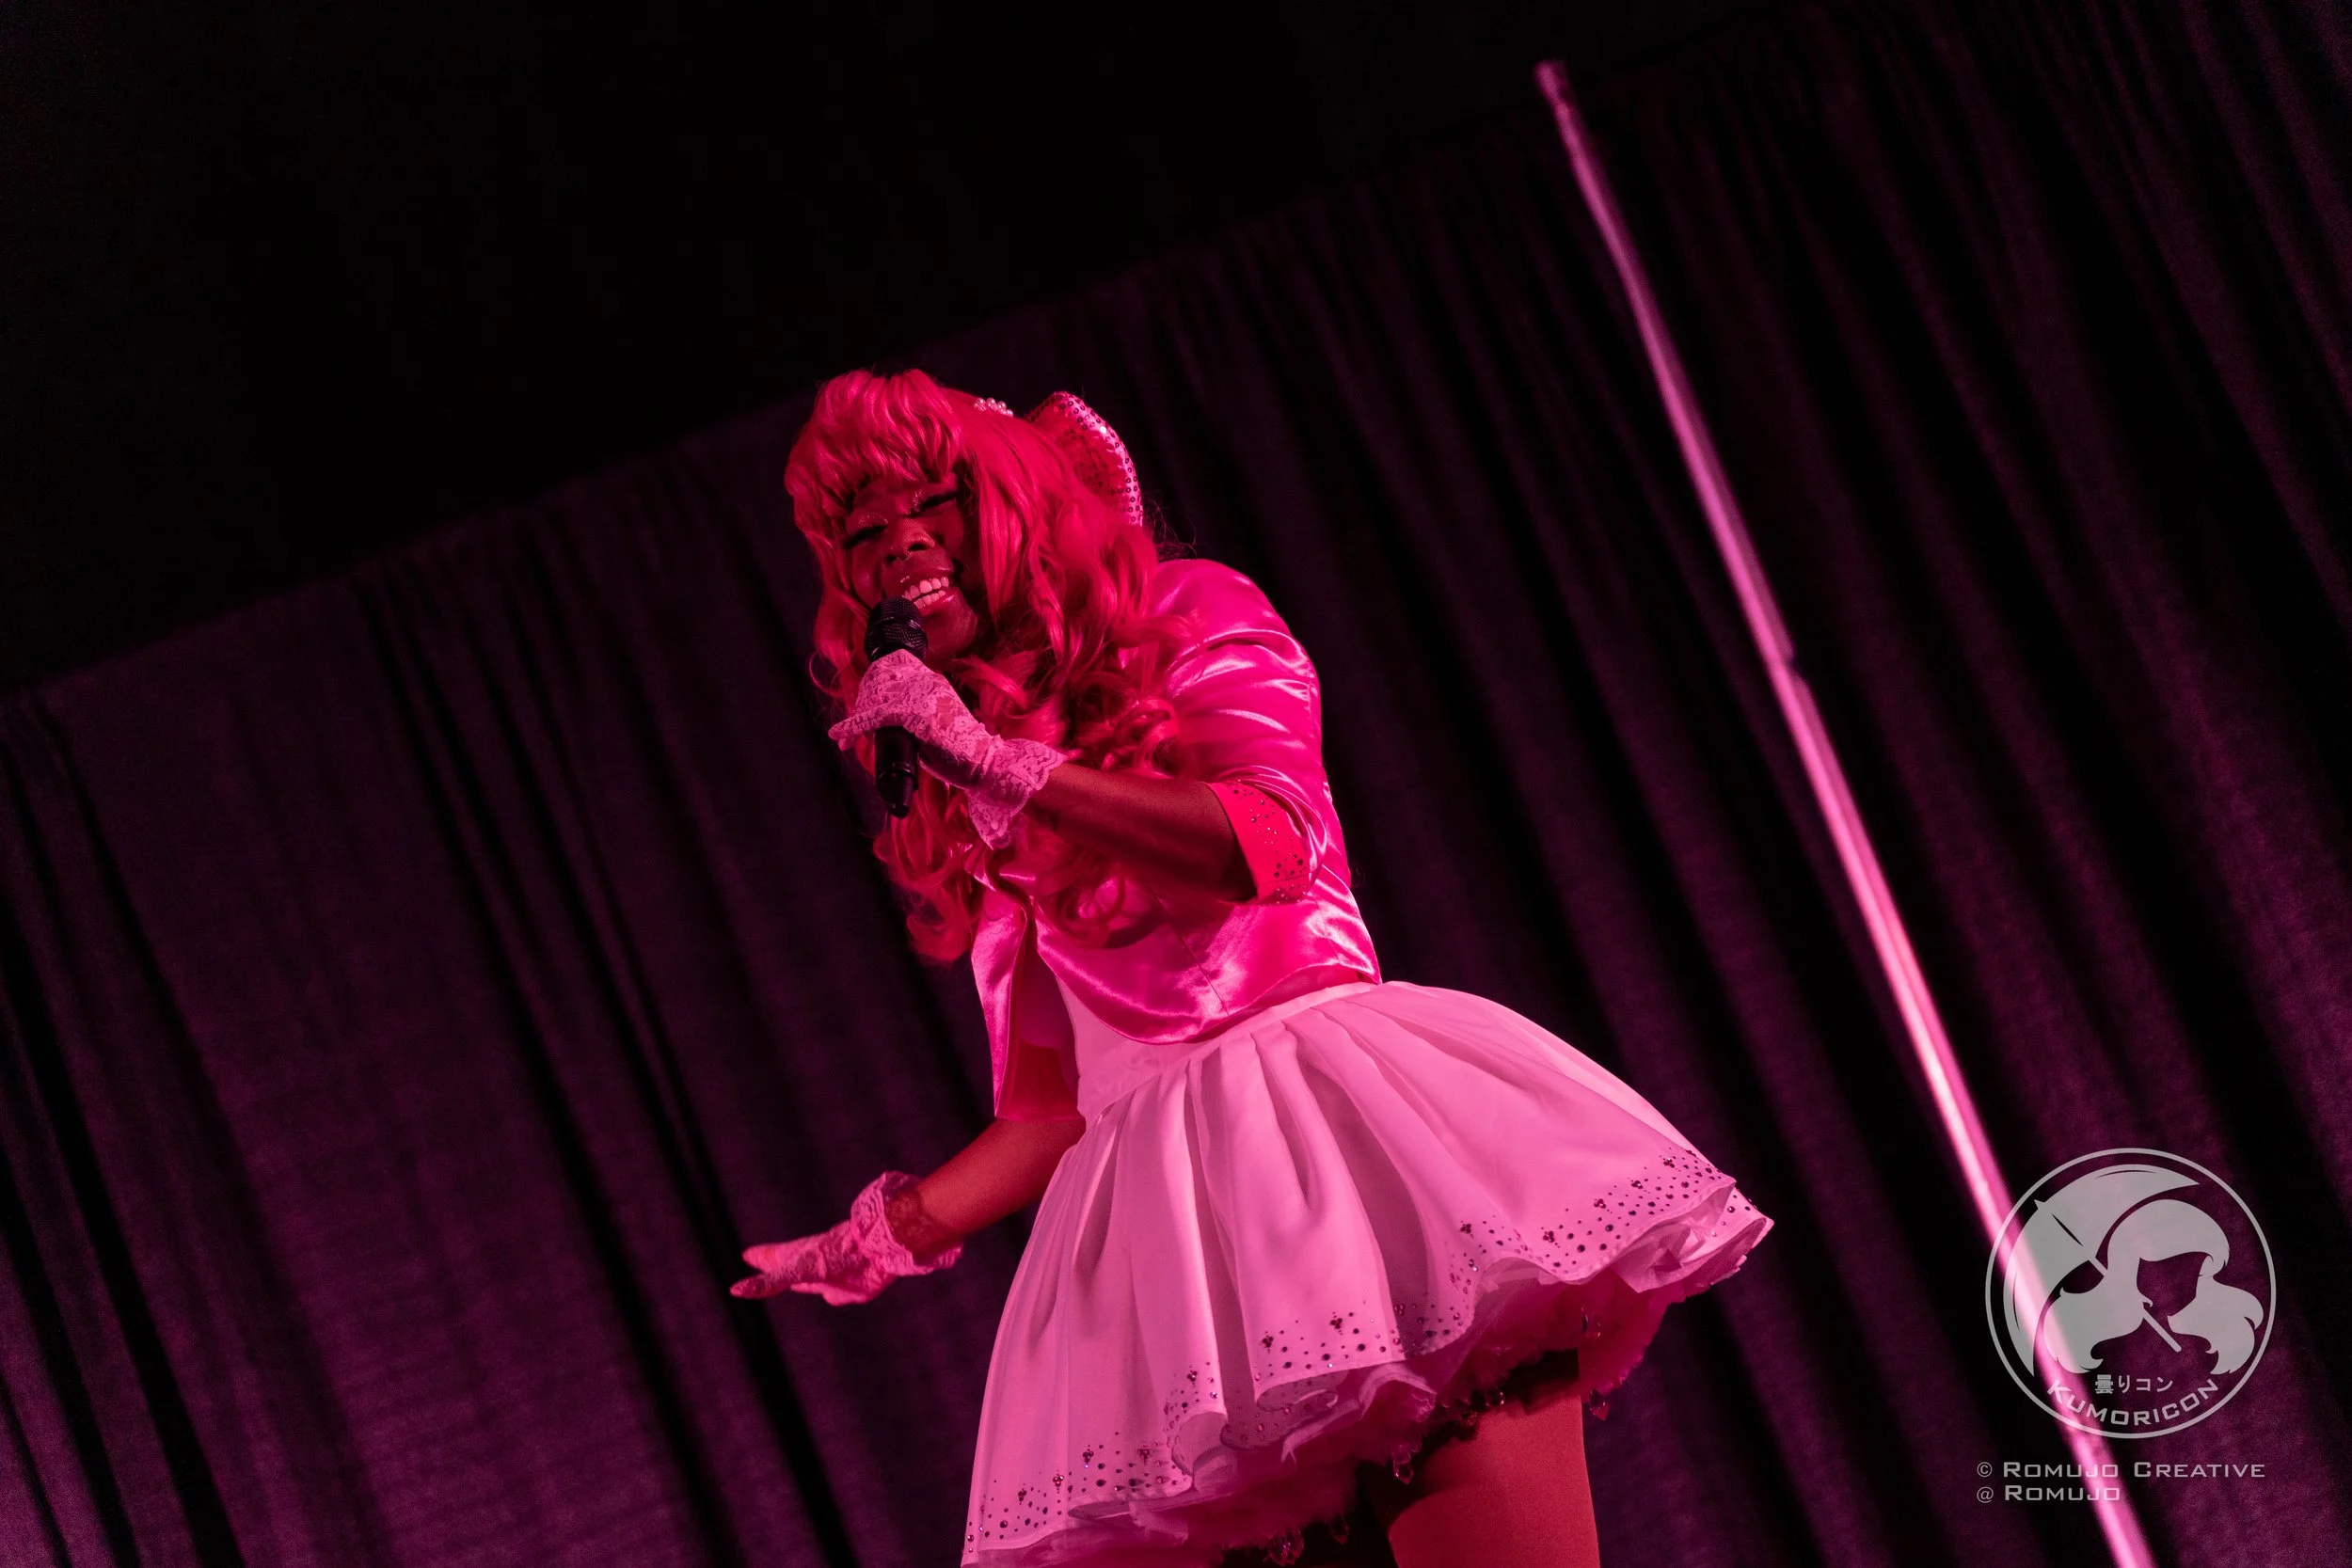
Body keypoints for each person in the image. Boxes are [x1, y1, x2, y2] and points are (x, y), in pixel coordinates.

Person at [735, 370, 1772, 1568]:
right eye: (865, 529)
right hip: (1181, 1258)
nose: (902, 543)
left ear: (1017, 503)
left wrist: (1003, 765)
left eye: (936, 502)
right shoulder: (978, 772)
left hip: (1351, 1161)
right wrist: (877, 1237)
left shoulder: (1183, 616)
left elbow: (1267, 846)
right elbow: (1050, 1109)